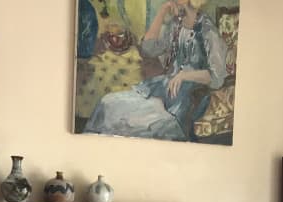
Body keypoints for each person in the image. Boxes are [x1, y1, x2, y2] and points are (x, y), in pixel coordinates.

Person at [83, 0, 228, 142]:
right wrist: (162, 11)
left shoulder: (207, 30)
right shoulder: (176, 24)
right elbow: (149, 49)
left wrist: (184, 76)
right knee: (108, 103)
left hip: (187, 98)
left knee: (135, 123)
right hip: (164, 89)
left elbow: (216, 77)